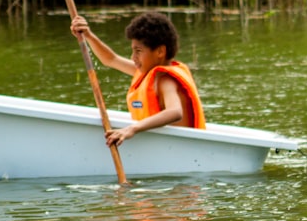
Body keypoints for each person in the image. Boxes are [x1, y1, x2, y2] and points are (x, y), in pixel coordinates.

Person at [70, 12, 206, 147]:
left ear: (160, 52)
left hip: (180, 147)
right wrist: (88, 35)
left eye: (138, 51)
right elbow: (111, 59)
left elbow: (175, 112)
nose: (133, 57)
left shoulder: (166, 81)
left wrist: (133, 128)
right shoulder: (146, 73)